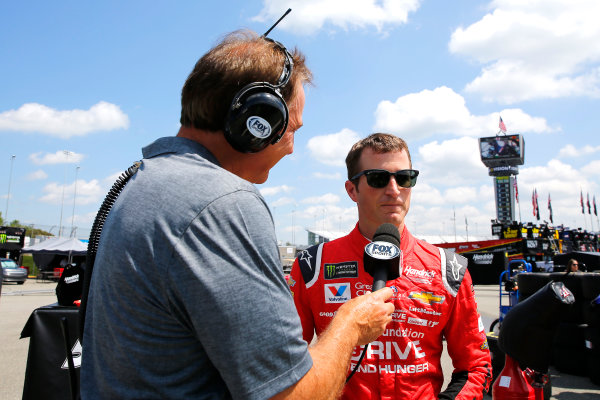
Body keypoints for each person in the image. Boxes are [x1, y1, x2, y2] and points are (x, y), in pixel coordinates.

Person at [80, 30, 394, 400]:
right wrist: (352, 326)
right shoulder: (223, 203)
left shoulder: (144, 182)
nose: (292, 148)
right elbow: (290, 396)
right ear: (256, 121)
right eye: (291, 128)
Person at [289, 133, 492, 399]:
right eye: (378, 178)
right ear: (352, 190)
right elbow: (283, 364)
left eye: (405, 178)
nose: (394, 189)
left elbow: (476, 366)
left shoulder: (448, 269)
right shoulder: (311, 266)